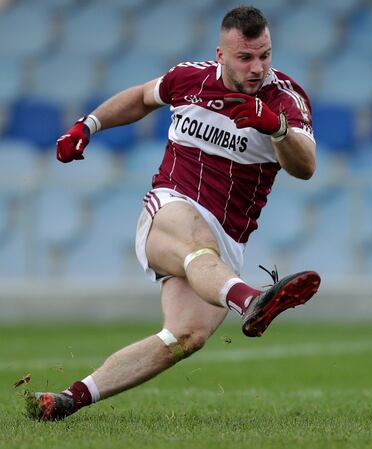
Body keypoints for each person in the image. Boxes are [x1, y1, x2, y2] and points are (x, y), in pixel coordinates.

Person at [26, 6, 321, 421]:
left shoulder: (284, 100)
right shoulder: (191, 79)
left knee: (185, 336)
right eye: (246, 57)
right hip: (169, 208)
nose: (258, 68)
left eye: (265, 55)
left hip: (226, 244)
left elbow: (306, 166)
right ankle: (251, 299)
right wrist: (87, 125)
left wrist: (276, 128)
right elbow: (142, 97)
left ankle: (68, 399)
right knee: (196, 244)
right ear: (221, 55)